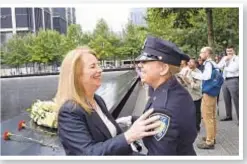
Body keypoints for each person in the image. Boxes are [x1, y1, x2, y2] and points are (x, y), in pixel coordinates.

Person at [56, 46, 161, 155]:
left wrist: (134, 122)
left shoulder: (97, 100)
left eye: (98, 65)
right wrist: (129, 135)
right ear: (76, 75)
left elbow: (112, 134)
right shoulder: (69, 111)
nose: (100, 70)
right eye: (93, 67)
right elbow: (87, 154)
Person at [117, 36, 197, 155]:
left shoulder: (164, 109)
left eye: (145, 61)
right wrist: (133, 120)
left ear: (164, 69)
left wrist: (128, 153)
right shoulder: (173, 90)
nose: (139, 65)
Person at [191, 47, 218, 149]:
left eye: (202, 52)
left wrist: (193, 74)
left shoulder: (208, 63)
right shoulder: (213, 63)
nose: (200, 54)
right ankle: (212, 136)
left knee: (207, 117)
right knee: (212, 116)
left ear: (207, 53)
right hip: (213, 91)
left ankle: (209, 142)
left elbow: (206, 77)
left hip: (208, 92)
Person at [178, 58, 202, 133]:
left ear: (195, 64)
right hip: (186, 95)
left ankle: (196, 127)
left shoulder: (199, 73)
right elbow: (181, 83)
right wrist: (182, 80)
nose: (189, 63)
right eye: (189, 62)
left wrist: (189, 81)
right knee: (186, 111)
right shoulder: (185, 70)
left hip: (195, 96)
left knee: (196, 112)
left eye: (191, 62)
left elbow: (198, 86)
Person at [217, 45, 239, 122]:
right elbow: (218, 66)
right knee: (226, 99)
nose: (229, 52)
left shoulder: (237, 59)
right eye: (227, 51)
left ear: (234, 51)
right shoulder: (225, 58)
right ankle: (228, 115)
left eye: (230, 51)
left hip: (234, 80)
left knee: (236, 100)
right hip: (225, 80)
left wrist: (224, 67)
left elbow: (233, 69)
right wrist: (224, 61)